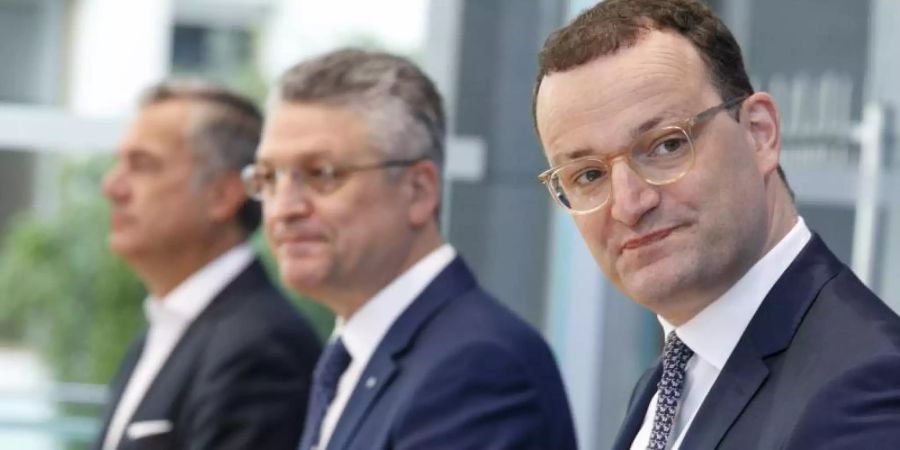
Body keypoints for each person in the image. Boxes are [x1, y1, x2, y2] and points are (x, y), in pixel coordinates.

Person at [532, 0, 900, 449]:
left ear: (759, 134)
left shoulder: (868, 388)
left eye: (666, 146)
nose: (629, 204)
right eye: (588, 175)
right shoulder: (675, 374)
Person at [243, 48, 578, 450]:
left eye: (322, 174)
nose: (283, 208)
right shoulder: (354, 354)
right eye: (269, 177)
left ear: (418, 190)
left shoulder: (476, 366)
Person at [96, 80, 321, 450]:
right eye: (119, 164)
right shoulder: (162, 333)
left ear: (223, 195)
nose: (112, 186)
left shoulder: (262, 347)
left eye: (142, 165)